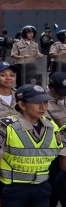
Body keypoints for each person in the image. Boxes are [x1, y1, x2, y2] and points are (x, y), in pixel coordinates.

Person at [0, 84, 66, 207]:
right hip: (13, 188)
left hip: (42, 186)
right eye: (37, 102)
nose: (43, 107)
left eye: (45, 102)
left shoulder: (52, 126)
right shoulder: (5, 127)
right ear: (22, 105)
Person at [46, 72, 66, 207]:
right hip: (54, 154)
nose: (63, 94)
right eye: (59, 92)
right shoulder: (42, 103)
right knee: (51, 192)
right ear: (50, 87)